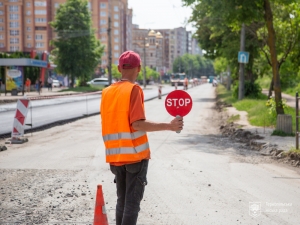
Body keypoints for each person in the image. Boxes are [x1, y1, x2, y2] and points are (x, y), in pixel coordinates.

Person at [100, 50, 184, 225]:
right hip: (135, 157)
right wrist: (169, 126)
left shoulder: (107, 92)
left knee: (121, 201)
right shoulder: (134, 90)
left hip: (115, 157)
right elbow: (137, 124)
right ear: (139, 68)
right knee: (132, 204)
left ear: (118, 68)